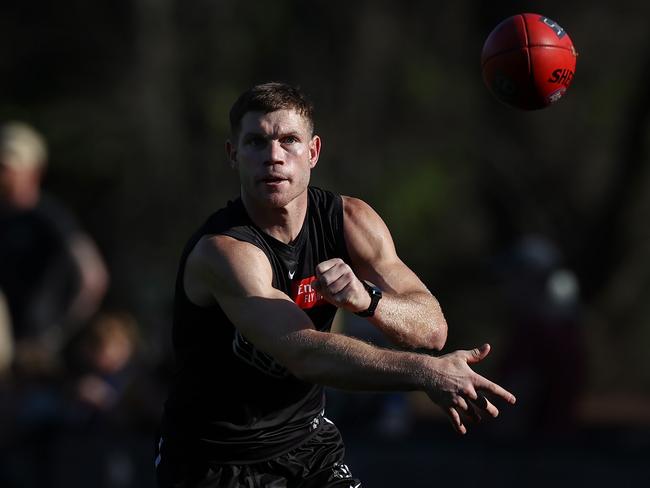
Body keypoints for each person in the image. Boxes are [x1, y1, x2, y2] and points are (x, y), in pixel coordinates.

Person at [156, 82, 516, 487]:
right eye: (256, 142)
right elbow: (306, 353)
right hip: (214, 462)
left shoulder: (351, 220)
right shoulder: (224, 252)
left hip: (308, 447)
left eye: (289, 140)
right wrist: (426, 373)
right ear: (232, 154)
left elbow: (431, 329)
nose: (274, 156)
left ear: (312, 153)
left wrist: (369, 300)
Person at [0, 121, 109, 373]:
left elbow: (93, 278)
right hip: (8, 353)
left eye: (7, 168)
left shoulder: (51, 218)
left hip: (39, 358)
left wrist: (55, 335)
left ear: (33, 171)